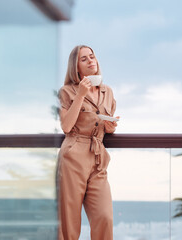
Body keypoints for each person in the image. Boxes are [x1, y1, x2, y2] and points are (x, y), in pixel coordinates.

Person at [56, 45, 119, 240]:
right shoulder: (66, 92)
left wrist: (111, 126)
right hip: (74, 156)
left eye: (92, 57)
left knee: (104, 217)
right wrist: (81, 94)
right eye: (84, 59)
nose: (91, 61)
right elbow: (66, 126)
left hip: (98, 158)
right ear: (76, 68)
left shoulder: (106, 91)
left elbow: (105, 122)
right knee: (69, 224)